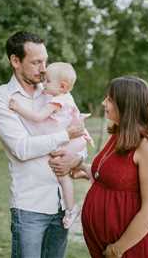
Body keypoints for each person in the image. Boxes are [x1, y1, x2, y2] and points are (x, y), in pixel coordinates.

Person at [0, 31, 85, 258]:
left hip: (61, 204)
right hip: (30, 206)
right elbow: (22, 149)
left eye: (46, 61)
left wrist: (77, 159)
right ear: (15, 61)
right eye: (36, 62)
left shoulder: (56, 91)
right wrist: (65, 134)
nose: (43, 69)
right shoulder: (0, 99)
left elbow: (80, 136)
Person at [75, 76, 148, 258]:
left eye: (110, 99)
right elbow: (111, 176)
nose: (104, 103)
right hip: (106, 243)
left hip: (133, 245)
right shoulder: (119, 134)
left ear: (127, 105)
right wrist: (81, 168)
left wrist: (117, 248)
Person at [8, 61, 94, 229]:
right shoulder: (67, 97)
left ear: (62, 86)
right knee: (65, 170)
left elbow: (37, 117)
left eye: (47, 81)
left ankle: (71, 208)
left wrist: (17, 108)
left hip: (71, 141)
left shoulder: (57, 101)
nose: (42, 83)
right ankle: (84, 172)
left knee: (61, 172)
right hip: (77, 140)